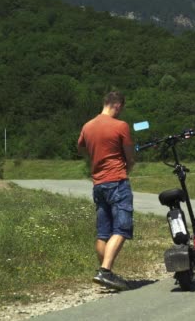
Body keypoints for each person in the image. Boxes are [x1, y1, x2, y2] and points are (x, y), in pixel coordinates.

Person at [77, 91, 134, 291]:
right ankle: (106, 272)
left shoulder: (88, 126)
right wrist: (128, 166)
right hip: (117, 181)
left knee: (103, 233)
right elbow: (130, 156)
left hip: (98, 184)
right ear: (117, 105)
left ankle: (105, 273)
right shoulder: (121, 126)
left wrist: (96, 158)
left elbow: (81, 148)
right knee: (122, 228)